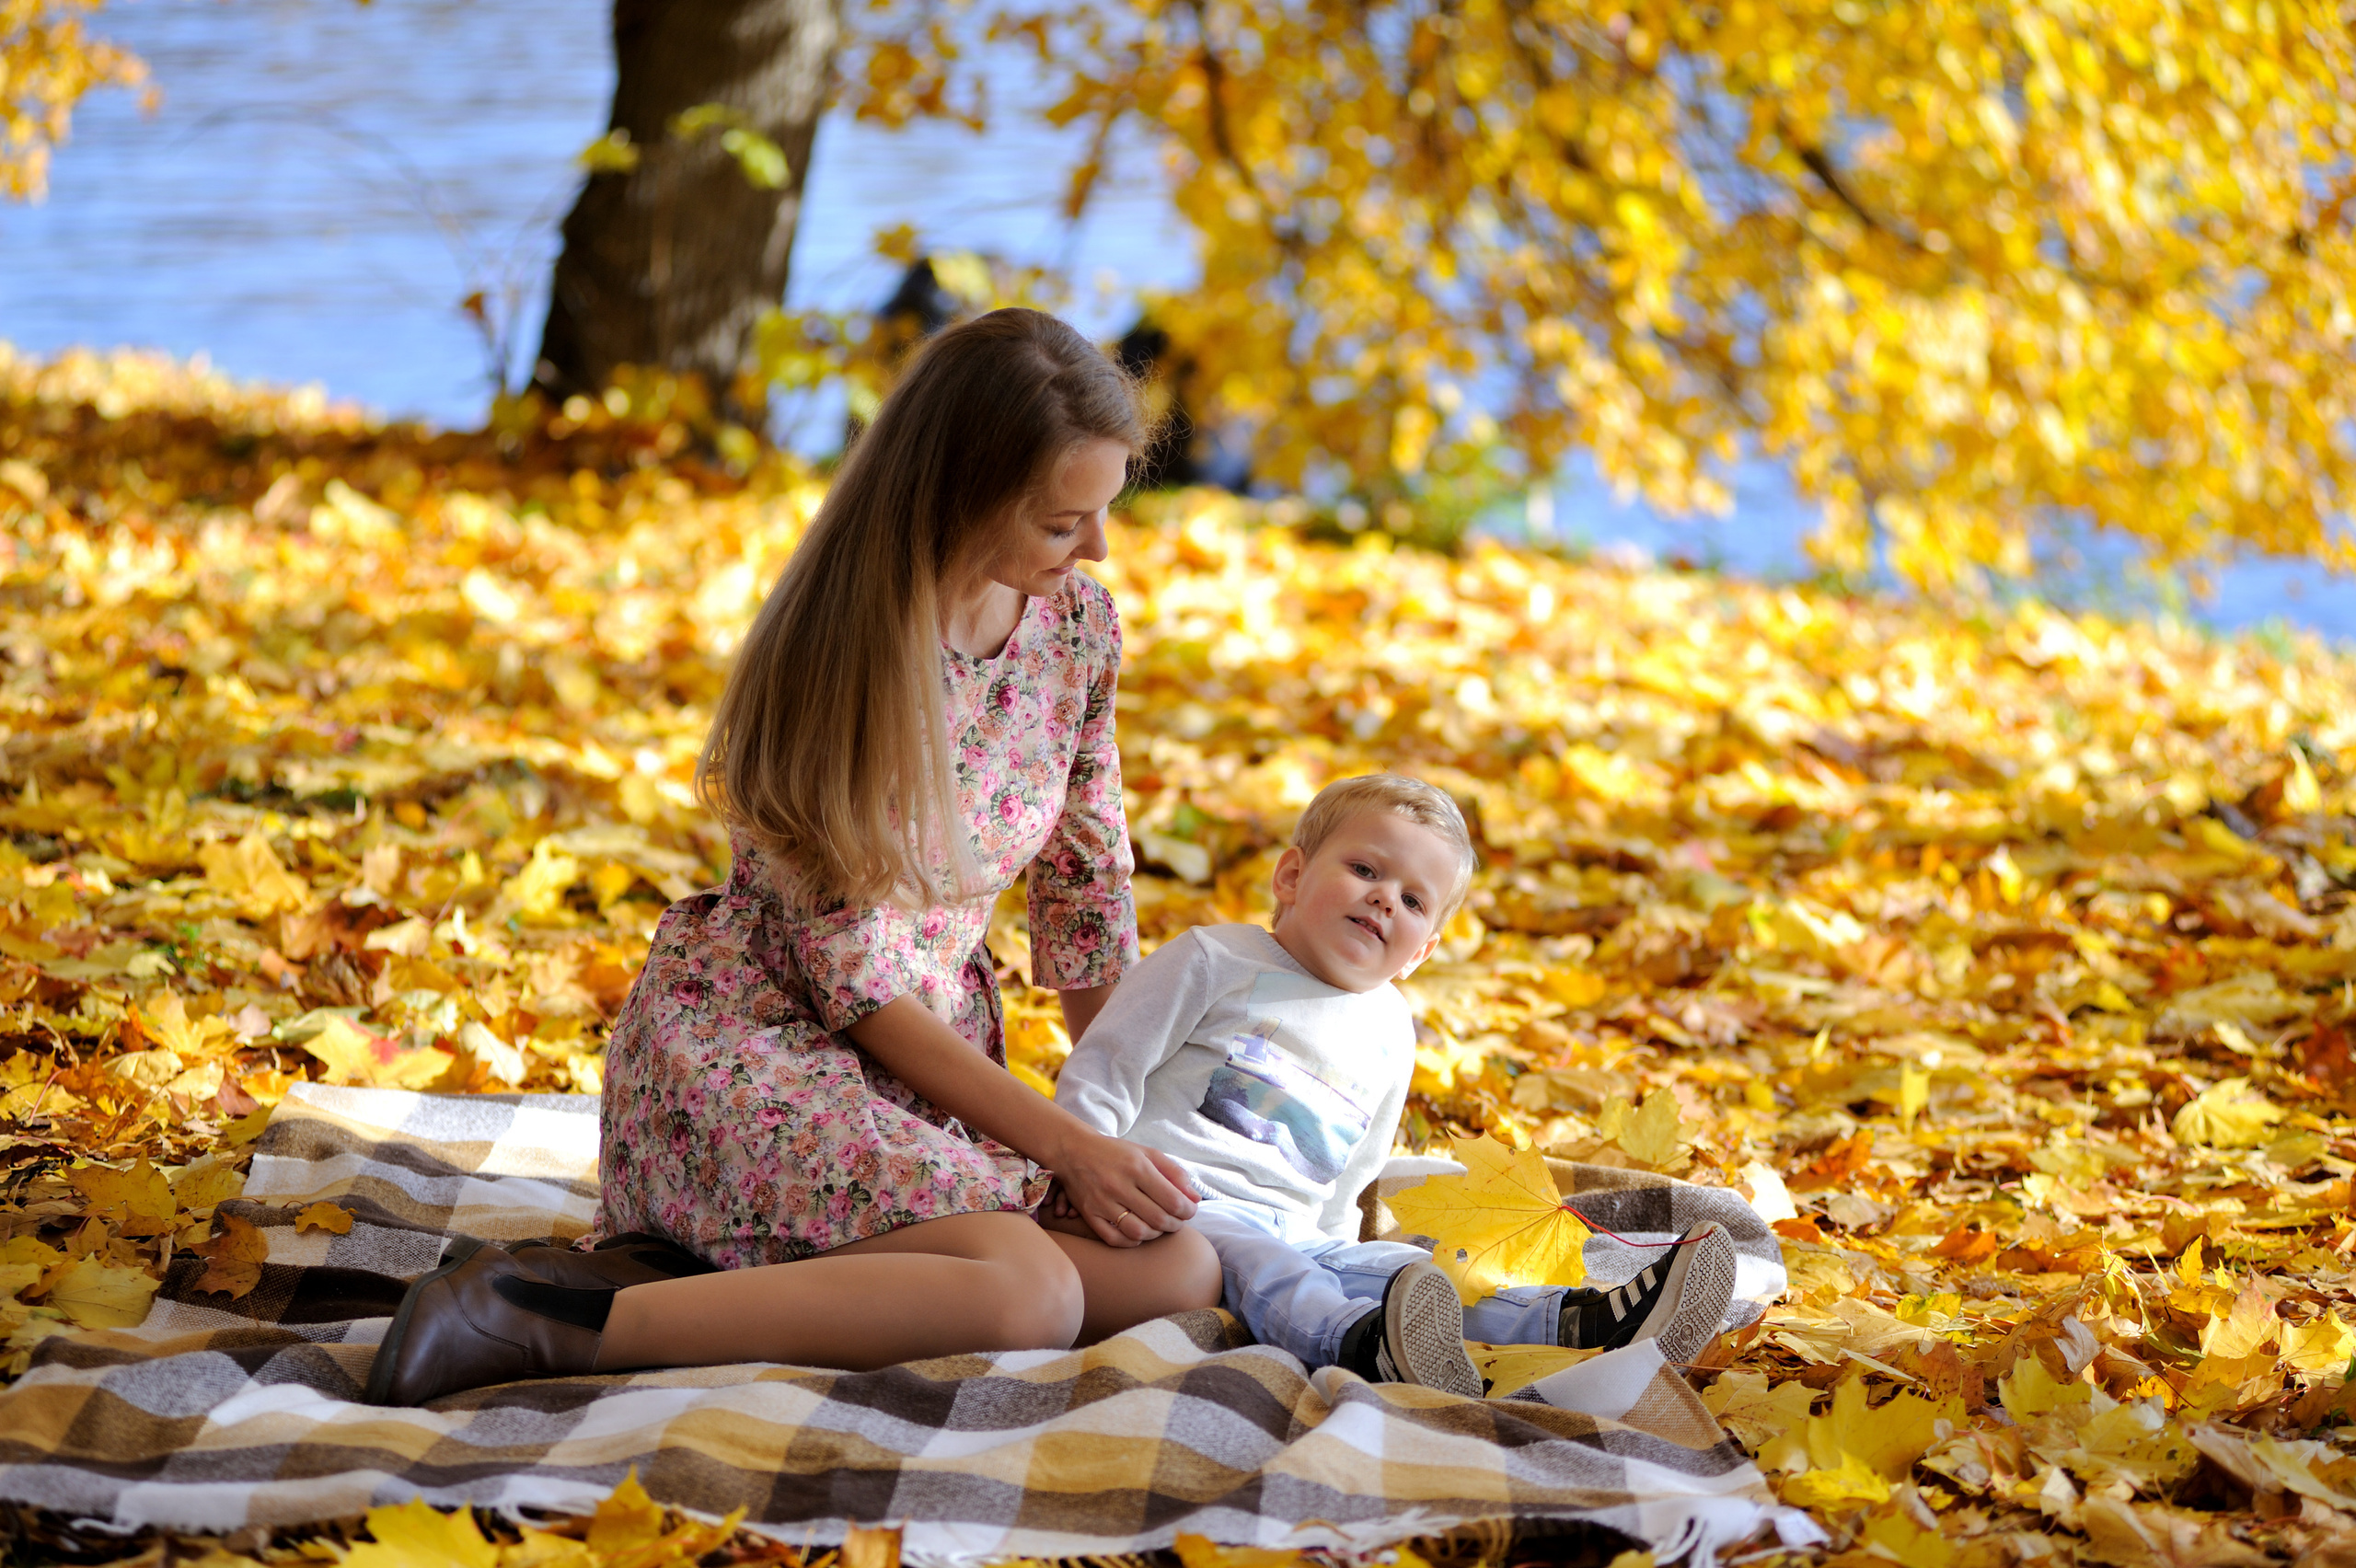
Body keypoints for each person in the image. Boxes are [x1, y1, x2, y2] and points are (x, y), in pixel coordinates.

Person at [366, 309, 1223, 1407]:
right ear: (962, 495)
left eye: (1103, 512)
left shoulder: (1078, 629)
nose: (1096, 549)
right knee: (1029, 1301)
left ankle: (699, 1276)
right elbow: (855, 989)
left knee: (1176, 1268)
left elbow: (1086, 885)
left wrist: (1120, 1127)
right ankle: (541, 1319)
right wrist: (1058, 1144)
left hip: (938, 1071)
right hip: (763, 1053)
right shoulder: (851, 656)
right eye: (1064, 523)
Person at [1052, 774, 1737, 1397]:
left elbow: (1360, 1164)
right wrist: (1076, 1173)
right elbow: (1108, 1063)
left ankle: (1585, 1320)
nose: (1384, 898)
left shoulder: (1390, 1029)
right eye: (1364, 870)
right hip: (1176, 1202)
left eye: (1413, 900)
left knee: (1398, 1267)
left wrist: (1339, 1242)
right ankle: (1356, 1346)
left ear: (1422, 951)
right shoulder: (1215, 961)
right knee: (1269, 1264)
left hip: (1300, 1227)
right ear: (1291, 875)